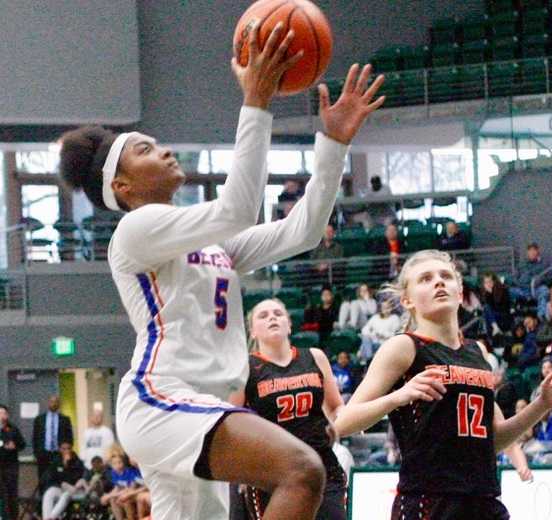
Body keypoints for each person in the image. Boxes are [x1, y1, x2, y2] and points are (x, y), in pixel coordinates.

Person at [58, 19, 385, 519]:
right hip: (161, 398)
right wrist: (255, 103)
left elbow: (301, 231)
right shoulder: (137, 230)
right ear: (121, 186)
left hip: (197, 406)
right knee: (303, 469)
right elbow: (236, 208)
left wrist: (334, 145)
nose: (164, 150)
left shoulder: (213, 243)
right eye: (145, 150)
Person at [334, 250, 552, 520]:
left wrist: (542, 404)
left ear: (459, 292)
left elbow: (495, 439)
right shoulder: (403, 347)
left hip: (484, 500)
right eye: (426, 279)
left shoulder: (475, 352)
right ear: (407, 300)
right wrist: (399, 396)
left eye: (445, 276)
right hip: (429, 502)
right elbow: (342, 423)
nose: (438, 282)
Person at [231, 298, 347, 520]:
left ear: (289, 324)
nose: (272, 317)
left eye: (278, 313)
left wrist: (339, 422)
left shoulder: (315, 357)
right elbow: (232, 423)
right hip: (270, 474)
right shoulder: (245, 368)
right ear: (252, 331)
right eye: (263, 316)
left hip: (321, 466)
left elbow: (335, 407)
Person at [32, 395, 74, 483]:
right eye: (51, 402)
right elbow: (35, 437)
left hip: (58, 454)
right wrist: (36, 453)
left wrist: (67, 453)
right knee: (43, 478)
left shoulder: (65, 419)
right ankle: (43, 495)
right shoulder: (39, 419)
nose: (53, 404)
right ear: (48, 403)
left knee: (59, 477)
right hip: (43, 454)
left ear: (59, 404)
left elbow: (69, 438)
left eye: (56, 402)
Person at [41, 442, 86, 520]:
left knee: (65, 496)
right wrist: (61, 484)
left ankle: (51, 517)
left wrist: (67, 465)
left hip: (73, 490)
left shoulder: (77, 462)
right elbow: (53, 478)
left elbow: (76, 478)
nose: (66, 451)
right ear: (60, 450)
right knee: (49, 493)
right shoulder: (56, 461)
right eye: (64, 449)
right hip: (60, 487)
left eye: (68, 448)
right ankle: (46, 517)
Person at [0, 404, 26, 520]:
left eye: (4, 413)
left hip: (10, 467)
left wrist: (14, 446)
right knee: (2, 495)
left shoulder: (13, 429)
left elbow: (22, 444)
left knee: (11, 495)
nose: (2, 416)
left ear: (7, 415)